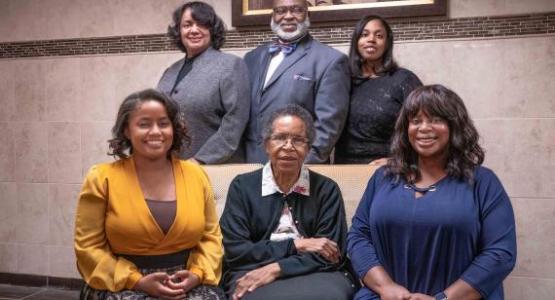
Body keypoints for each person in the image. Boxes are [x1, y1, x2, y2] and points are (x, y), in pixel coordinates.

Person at [347, 85, 517, 300]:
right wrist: (386, 288)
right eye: (416, 121)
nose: (424, 128)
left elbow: (500, 253)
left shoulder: (482, 182)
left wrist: (444, 298)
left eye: (435, 119)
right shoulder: (383, 178)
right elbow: (358, 236)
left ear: (454, 126)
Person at [74, 89, 224, 300]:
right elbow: (89, 247)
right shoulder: (101, 178)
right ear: (127, 130)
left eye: (163, 123)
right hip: (118, 282)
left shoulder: (196, 175)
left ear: (174, 128)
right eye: (144, 124)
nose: (156, 131)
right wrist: (137, 281)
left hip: (185, 282)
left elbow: (211, 237)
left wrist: (197, 274)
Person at [220, 105, 356, 300]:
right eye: (280, 138)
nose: (288, 146)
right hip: (253, 270)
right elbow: (237, 252)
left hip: (317, 273)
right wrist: (298, 245)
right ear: (266, 144)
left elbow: (332, 254)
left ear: (308, 148)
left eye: (298, 140)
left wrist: (277, 268)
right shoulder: (242, 187)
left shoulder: (326, 189)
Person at [243, 0, 350, 164]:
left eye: (296, 10)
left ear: (308, 14)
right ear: (273, 15)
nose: (288, 16)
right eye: (281, 11)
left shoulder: (330, 61)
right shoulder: (252, 57)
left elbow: (328, 127)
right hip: (250, 165)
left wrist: (301, 166)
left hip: (297, 167)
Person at [158, 1, 250, 164]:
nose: (194, 30)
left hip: (214, 168)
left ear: (212, 30)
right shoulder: (170, 71)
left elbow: (235, 121)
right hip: (172, 166)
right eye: (187, 25)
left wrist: (200, 159)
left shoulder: (230, 65)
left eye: (202, 24)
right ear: (179, 31)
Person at [335, 15, 422, 164]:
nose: (371, 39)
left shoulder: (404, 79)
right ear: (356, 41)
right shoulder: (341, 80)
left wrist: (396, 161)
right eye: (364, 34)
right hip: (343, 169)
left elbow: (422, 127)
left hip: (389, 169)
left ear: (387, 43)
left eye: (379, 35)